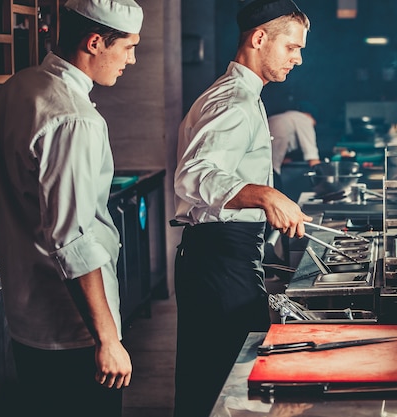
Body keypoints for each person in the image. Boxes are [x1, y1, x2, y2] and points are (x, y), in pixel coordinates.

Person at [0, 1, 142, 416]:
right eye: (127, 47)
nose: (131, 59)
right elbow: (73, 239)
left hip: (26, 320)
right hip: (72, 328)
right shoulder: (75, 118)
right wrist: (108, 340)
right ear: (94, 42)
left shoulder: (18, 87)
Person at [173, 0, 312, 415]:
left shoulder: (244, 94)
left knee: (219, 383)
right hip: (219, 263)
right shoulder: (233, 100)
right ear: (259, 39)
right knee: (226, 389)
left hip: (221, 258)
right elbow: (193, 175)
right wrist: (266, 196)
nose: (298, 59)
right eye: (292, 47)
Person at [268, 106, 321, 192]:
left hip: (259, 166)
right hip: (271, 171)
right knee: (276, 192)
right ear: (310, 115)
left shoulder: (286, 117)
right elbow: (312, 158)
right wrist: (325, 175)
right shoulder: (304, 120)